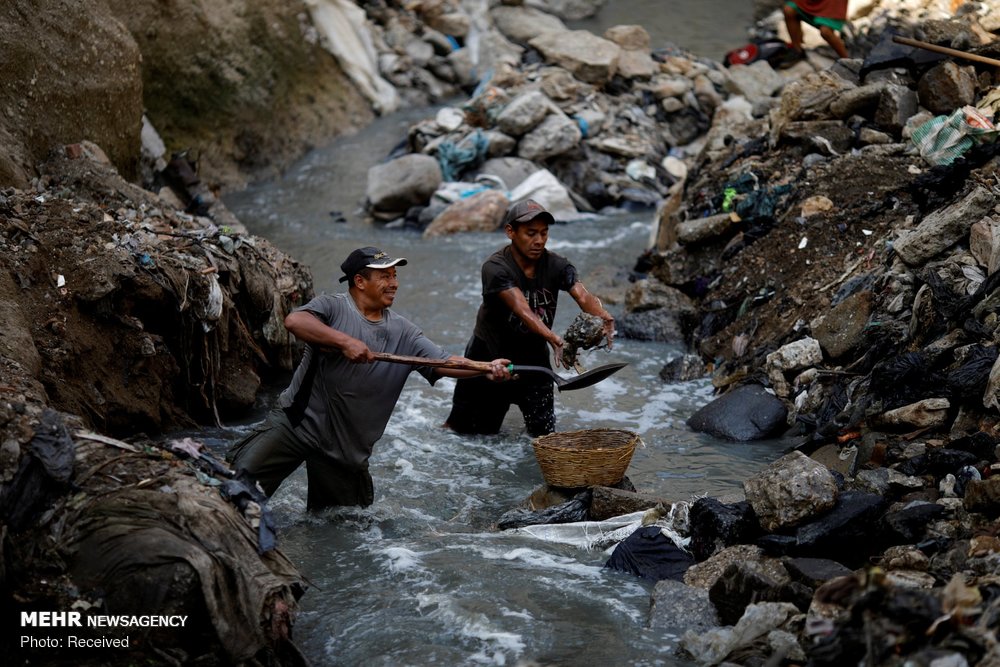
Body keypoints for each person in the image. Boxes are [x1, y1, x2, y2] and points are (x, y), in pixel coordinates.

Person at [228, 246, 511, 510]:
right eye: (385, 276)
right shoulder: (333, 307)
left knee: (341, 525)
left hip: (346, 447)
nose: (394, 283)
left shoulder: (404, 331)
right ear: (360, 281)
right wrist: (344, 342)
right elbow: (295, 321)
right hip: (296, 423)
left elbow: (443, 362)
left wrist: (485, 368)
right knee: (233, 489)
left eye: (395, 276)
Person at [444, 199, 614, 437]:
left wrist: (603, 315)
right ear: (510, 232)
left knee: (544, 438)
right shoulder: (495, 267)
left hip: (534, 361)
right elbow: (522, 310)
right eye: (531, 233)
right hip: (489, 360)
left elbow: (582, 294)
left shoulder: (557, 265)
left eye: (544, 233)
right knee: (469, 435)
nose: (539, 240)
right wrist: (553, 337)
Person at [781, 0, 849, 62]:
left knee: (826, 32)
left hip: (833, 3)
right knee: (789, 10)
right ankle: (797, 50)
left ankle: (848, 61)